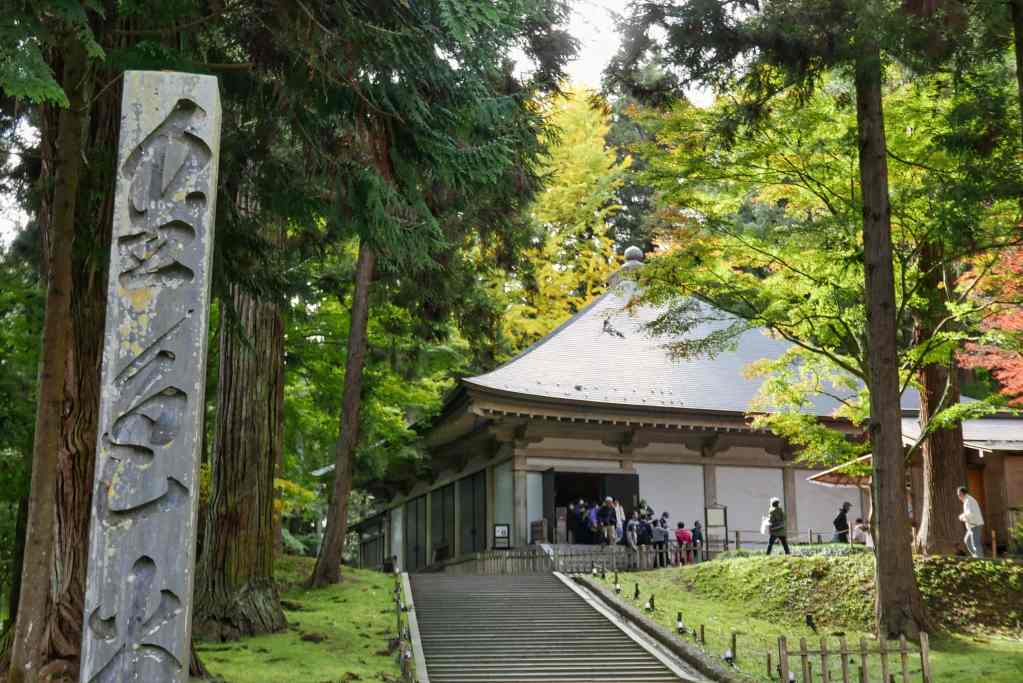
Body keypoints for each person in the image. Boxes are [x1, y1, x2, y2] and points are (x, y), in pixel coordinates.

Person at [957, 486, 985, 558]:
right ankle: (976, 556)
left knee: (976, 543)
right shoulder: (967, 500)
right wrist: (964, 517)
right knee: (967, 541)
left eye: (959, 495)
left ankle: (980, 559)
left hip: (975, 525)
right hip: (972, 526)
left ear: (962, 494)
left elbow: (970, 513)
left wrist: (962, 516)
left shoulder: (968, 500)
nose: (958, 497)